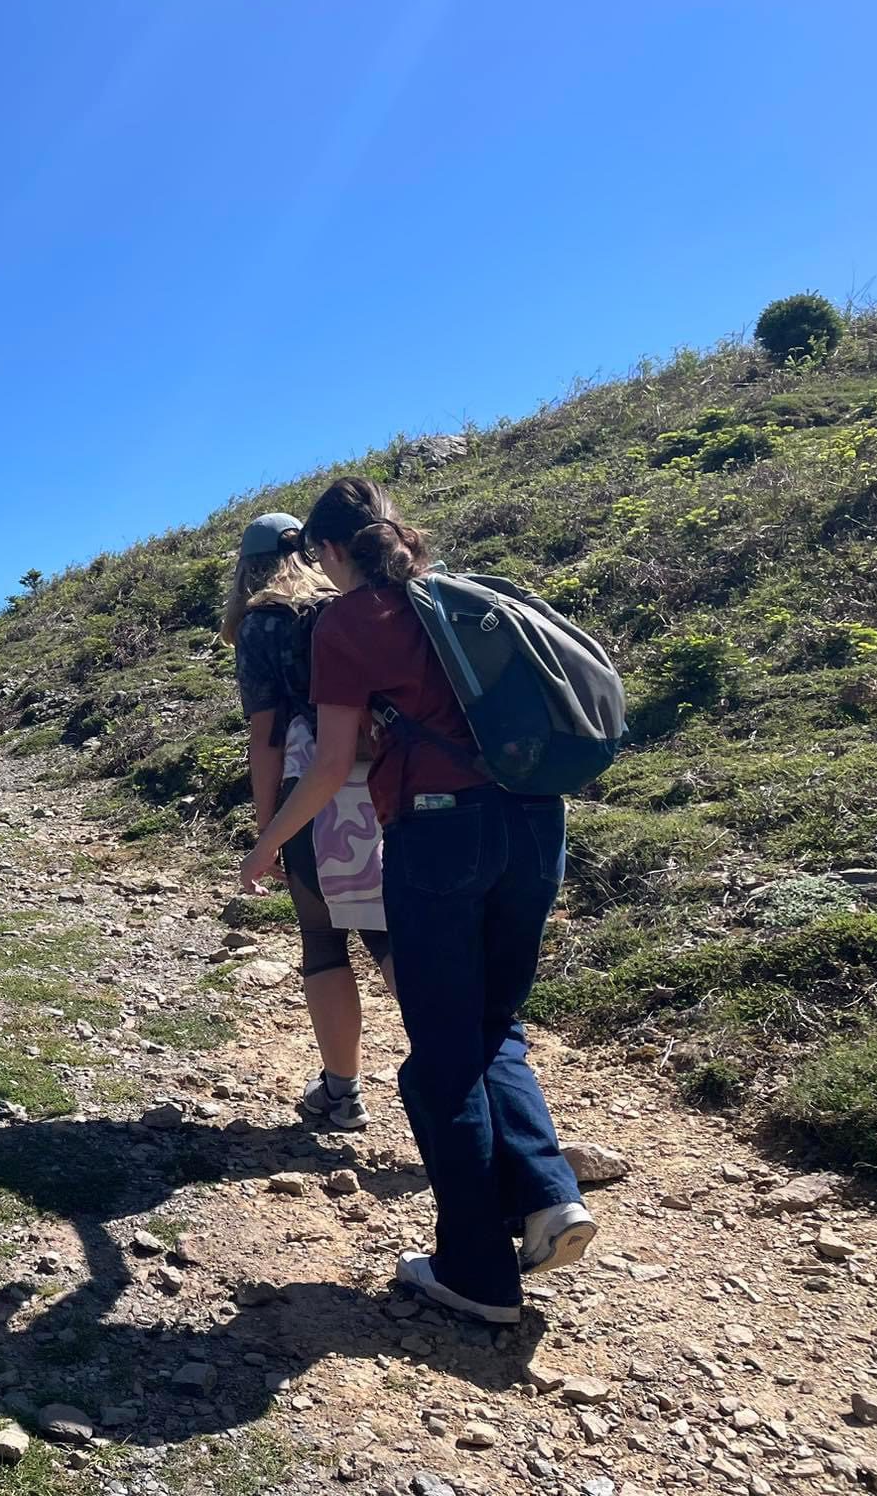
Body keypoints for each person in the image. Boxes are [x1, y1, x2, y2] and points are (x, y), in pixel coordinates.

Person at [238, 477, 593, 1326]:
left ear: (325, 552)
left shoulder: (346, 625)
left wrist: (266, 841)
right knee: (489, 1027)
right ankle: (546, 1194)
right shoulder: (456, 599)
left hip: (440, 836)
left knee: (438, 1055)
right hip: (537, 825)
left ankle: (475, 1272)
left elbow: (327, 766)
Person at [221, 512, 394, 1132]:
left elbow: (266, 738)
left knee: (325, 938)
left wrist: (269, 827)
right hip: (389, 782)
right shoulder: (350, 604)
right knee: (391, 932)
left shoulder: (264, 621)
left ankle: (342, 1093)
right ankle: (473, 1072)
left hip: (315, 789)